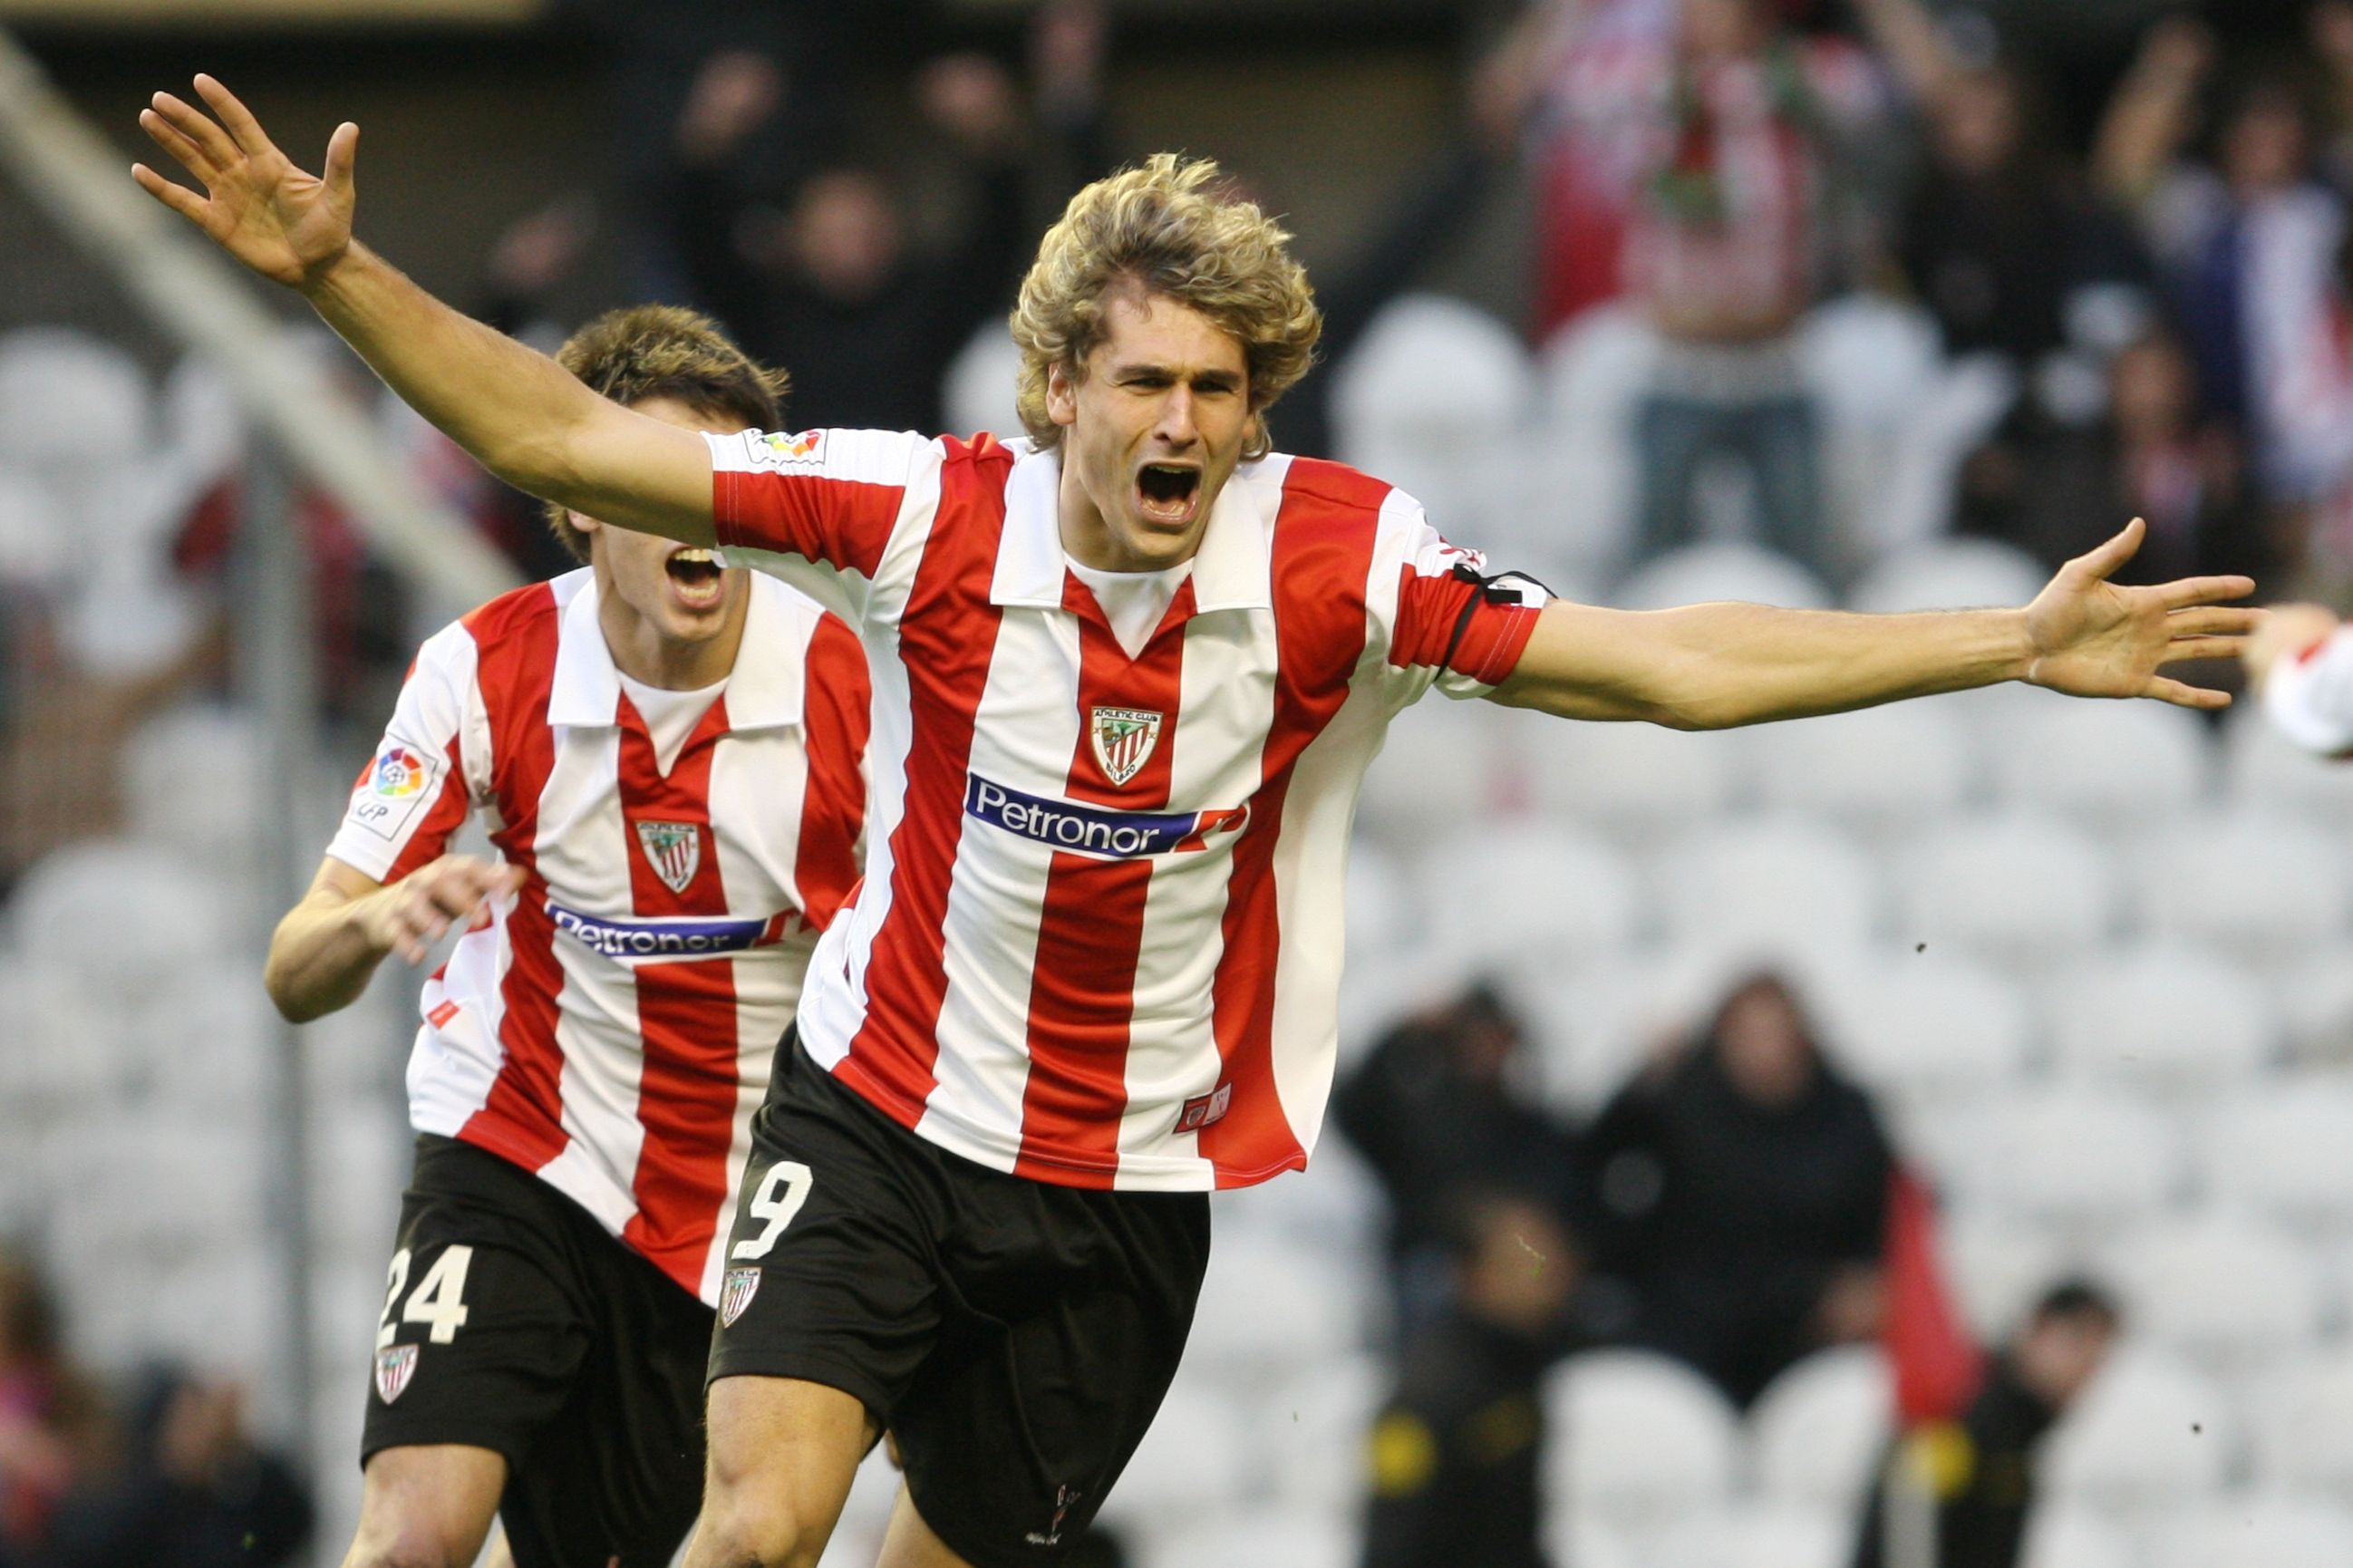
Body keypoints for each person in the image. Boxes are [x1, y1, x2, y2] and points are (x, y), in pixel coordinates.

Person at [134, 75, 2253, 1568]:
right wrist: (336, 279)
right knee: (751, 1524)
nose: (1176, 425)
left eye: (1219, 389)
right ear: (1053, 381)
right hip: (873, 1121)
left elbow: (1663, 668)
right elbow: (559, 427)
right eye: (1139, 381)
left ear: (1258, 409)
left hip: (1125, 1191)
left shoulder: (1339, 571)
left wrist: (1996, 639)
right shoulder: (916, 514)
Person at [256, 305, 870, 1568]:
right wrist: (373, 916)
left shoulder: (854, 680)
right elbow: (294, 968)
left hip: (745, 1207)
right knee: (410, 1535)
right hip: (522, 1145)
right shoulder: (485, 670)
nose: (697, 513)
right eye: (651, 480)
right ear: (580, 499)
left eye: (722, 479)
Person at [1579, 972, 1895, 1406]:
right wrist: (1642, 1078)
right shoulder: (1676, 1101)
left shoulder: (1846, 1115)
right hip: (1690, 1325)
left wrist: (1871, 1282)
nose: (1763, 1050)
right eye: (1748, 1034)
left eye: (1776, 1033)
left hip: (1809, 1329)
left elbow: (1886, 1211)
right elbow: (1593, 1169)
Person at [1361, 1194, 1579, 1568]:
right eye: (1522, 1264)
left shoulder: (1528, 1366)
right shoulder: (1430, 1392)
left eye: (1548, 1261)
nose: (1545, 1279)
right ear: (1473, 1275)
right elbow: (1395, 1539)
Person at [1849, 1280, 2121, 1568]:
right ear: (2037, 1329)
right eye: (2076, 1345)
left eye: (2097, 1358)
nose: (2083, 1371)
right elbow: (1906, 1528)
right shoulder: (1960, 1412)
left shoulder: (2023, 1427)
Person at [44, 1364, 314, 1568]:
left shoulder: (225, 1509)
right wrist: (172, 1473)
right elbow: (97, 1544)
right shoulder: (119, 1504)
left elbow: (288, 1524)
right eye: (187, 1421)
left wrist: (243, 1450)